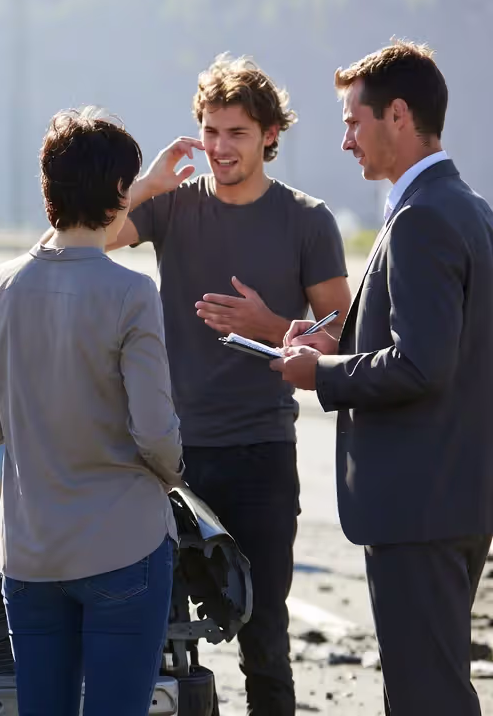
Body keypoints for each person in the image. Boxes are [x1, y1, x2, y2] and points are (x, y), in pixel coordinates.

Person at [102, 54, 352, 715]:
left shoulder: (307, 220)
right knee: (155, 640)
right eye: (210, 131)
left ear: (270, 135)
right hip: (169, 459)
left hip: (261, 456)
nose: (219, 147)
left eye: (236, 133)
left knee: (264, 641)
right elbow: (87, 239)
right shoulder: (172, 209)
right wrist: (148, 184)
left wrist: (272, 326)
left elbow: (339, 338)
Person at [273, 40, 493, 716]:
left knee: (428, 697)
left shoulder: (422, 217)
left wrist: (322, 372)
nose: (345, 141)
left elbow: (422, 363)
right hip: (458, 497)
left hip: (417, 506)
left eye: (351, 121)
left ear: (398, 115)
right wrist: (340, 342)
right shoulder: (471, 208)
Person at [0, 107, 184, 716]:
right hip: (124, 542)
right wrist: (175, 473)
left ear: (48, 189)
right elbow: (155, 431)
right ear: (121, 193)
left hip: (30, 551)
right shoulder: (131, 292)